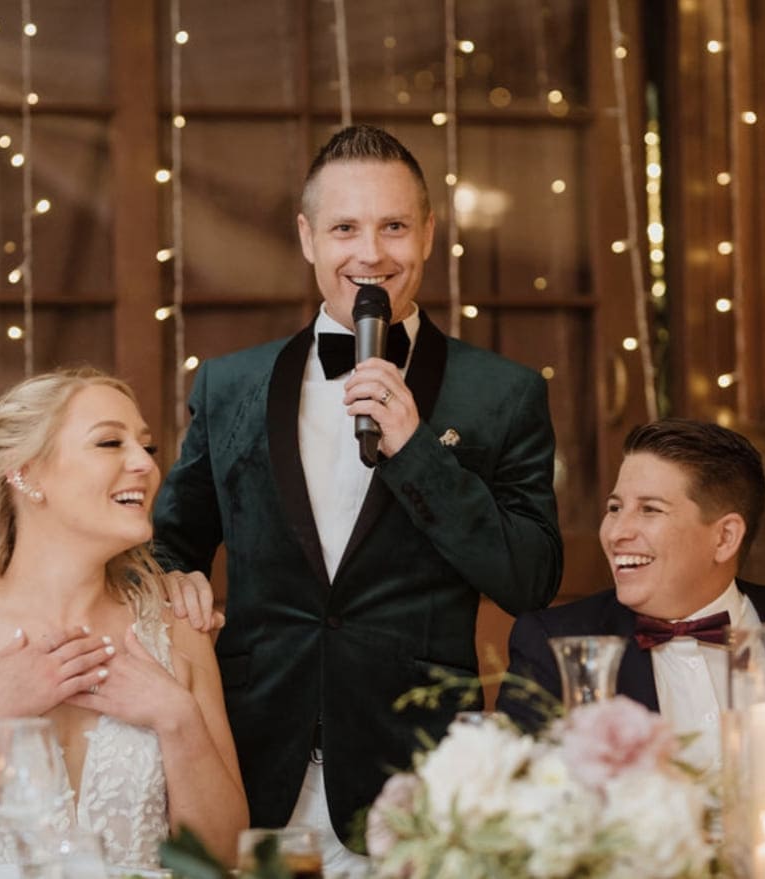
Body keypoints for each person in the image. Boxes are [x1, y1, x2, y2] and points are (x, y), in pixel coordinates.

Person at [152, 124, 562, 873]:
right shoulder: (230, 385)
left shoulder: (503, 394)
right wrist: (176, 585)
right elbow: (170, 545)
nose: (370, 253)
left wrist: (417, 453)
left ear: (428, 234)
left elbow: (530, 578)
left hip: (418, 781)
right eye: (345, 228)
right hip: (251, 766)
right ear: (307, 237)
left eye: (394, 226)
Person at [0, 367, 247, 879]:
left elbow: (223, 861)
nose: (145, 464)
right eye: (110, 443)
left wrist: (177, 718)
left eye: (146, 447)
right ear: (27, 473)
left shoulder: (179, 628)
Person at [497, 418, 765, 768]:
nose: (616, 533)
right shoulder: (553, 646)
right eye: (615, 508)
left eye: (650, 510)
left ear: (724, 538)